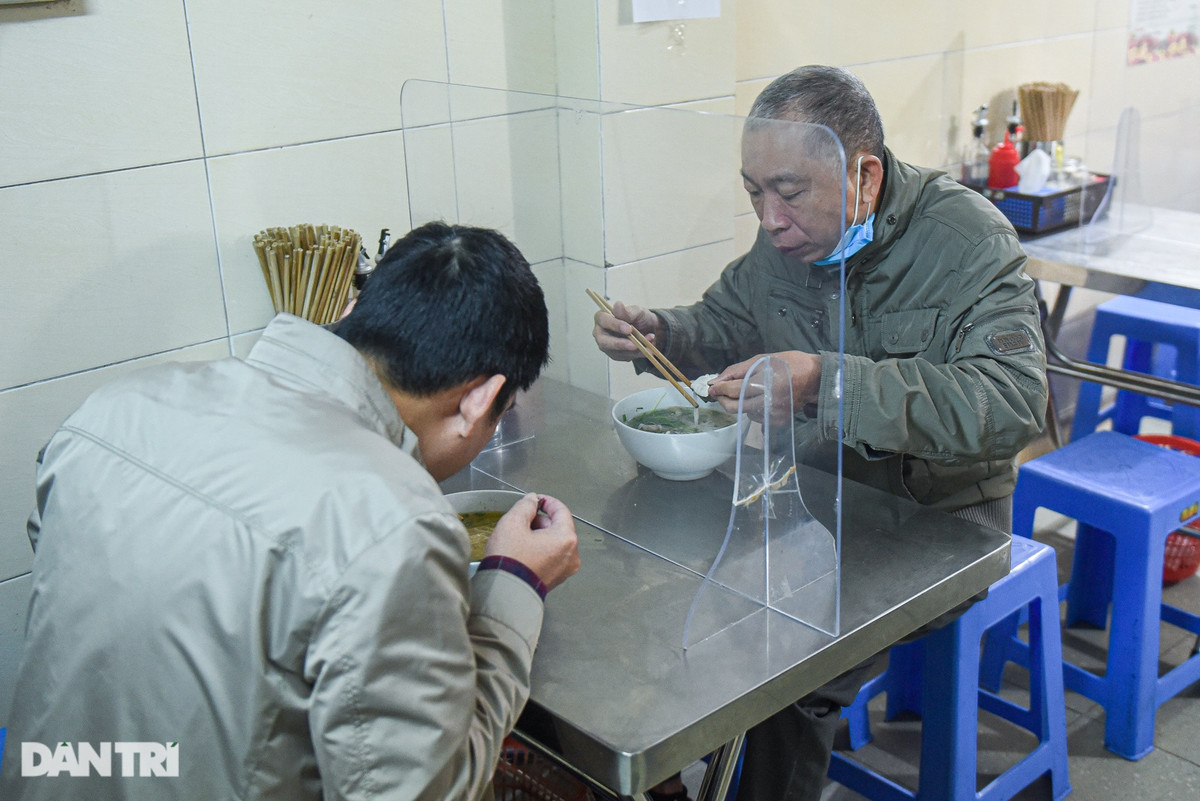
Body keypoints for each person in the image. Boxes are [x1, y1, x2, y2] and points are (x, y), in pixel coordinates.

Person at [1, 222, 581, 800]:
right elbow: (421, 790)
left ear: (357, 307)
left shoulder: (107, 414)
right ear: (480, 399)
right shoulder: (392, 522)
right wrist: (515, 583)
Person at [593, 66, 1047, 801]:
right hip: (814, 498)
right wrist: (661, 335)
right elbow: (728, 326)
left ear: (864, 175)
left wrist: (827, 383)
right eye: (753, 192)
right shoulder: (786, 246)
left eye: (790, 192)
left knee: (782, 666)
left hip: (938, 520)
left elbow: (1012, 404)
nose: (769, 219)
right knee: (658, 587)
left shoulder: (965, 240)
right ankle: (681, 777)